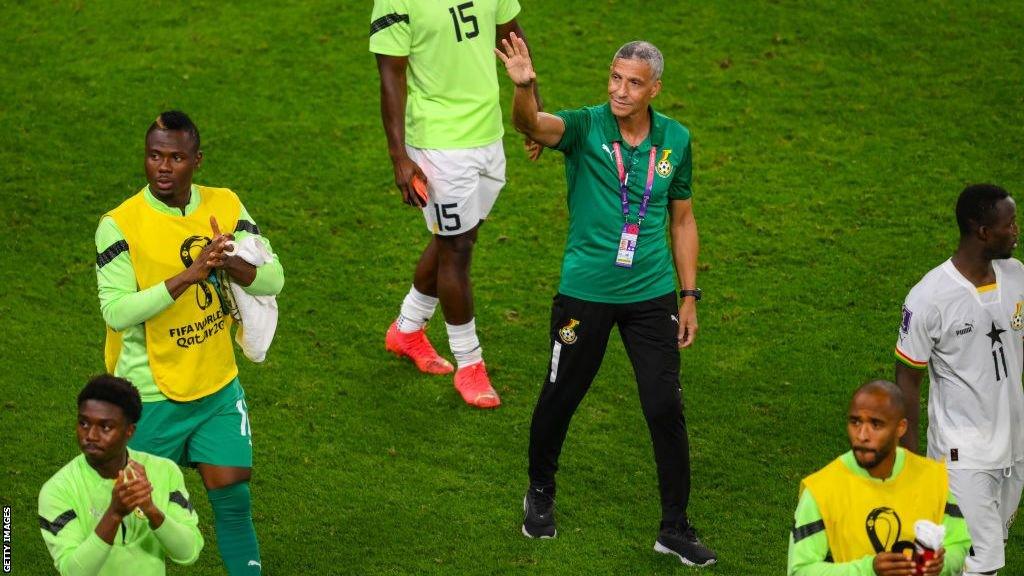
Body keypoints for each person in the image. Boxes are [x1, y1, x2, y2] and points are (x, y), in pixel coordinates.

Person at [496, 37, 714, 565]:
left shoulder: (676, 140)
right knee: (560, 396)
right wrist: (524, 86)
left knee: (666, 407)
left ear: (654, 88)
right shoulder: (586, 127)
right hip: (585, 294)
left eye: (633, 82)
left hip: (651, 294)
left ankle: (674, 526)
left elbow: (682, 220)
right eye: (615, 78)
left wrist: (689, 295)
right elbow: (532, 126)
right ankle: (540, 493)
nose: (620, 90)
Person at [94, 111, 284, 575]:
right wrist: (190, 275)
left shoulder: (225, 203)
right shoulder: (119, 224)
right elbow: (115, 312)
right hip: (149, 394)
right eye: (154, 155)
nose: (163, 166)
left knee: (234, 499)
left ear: (196, 161)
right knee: (142, 521)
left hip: (216, 386)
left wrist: (229, 260)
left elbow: (274, 278)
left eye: (176, 157)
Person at [370, 0, 541, 409]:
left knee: (457, 236)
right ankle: (470, 364)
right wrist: (399, 156)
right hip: (439, 143)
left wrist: (533, 113)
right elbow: (390, 75)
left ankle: (407, 330)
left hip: (488, 133)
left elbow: (515, 44)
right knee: (457, 248)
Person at [895, 183, 1024, 576]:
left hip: (1013, 447)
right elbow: (907, 384)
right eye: (1010, 224)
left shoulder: (1017, 276)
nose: (1016, 231)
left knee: (970, 555)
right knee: (981, 564)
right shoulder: (929, 298)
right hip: (961, 455)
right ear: (982, 230)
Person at [787, 380, 971, 576]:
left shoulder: (932, 478)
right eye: (855, 422)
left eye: (876, 424)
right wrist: (869, 570)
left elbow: (958, 543)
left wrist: (943, 564)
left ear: (900, 428)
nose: (862, 435)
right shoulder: (821, 490)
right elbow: (801, 569)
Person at [38, 374, 204, 575]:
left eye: (105, 427)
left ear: (130, 431)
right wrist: (114, 513)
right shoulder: (58, 490)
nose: (90, 435)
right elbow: (73, 571)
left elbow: (188, 552)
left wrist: (151, 509)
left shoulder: (164, 472)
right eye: (84, 423)